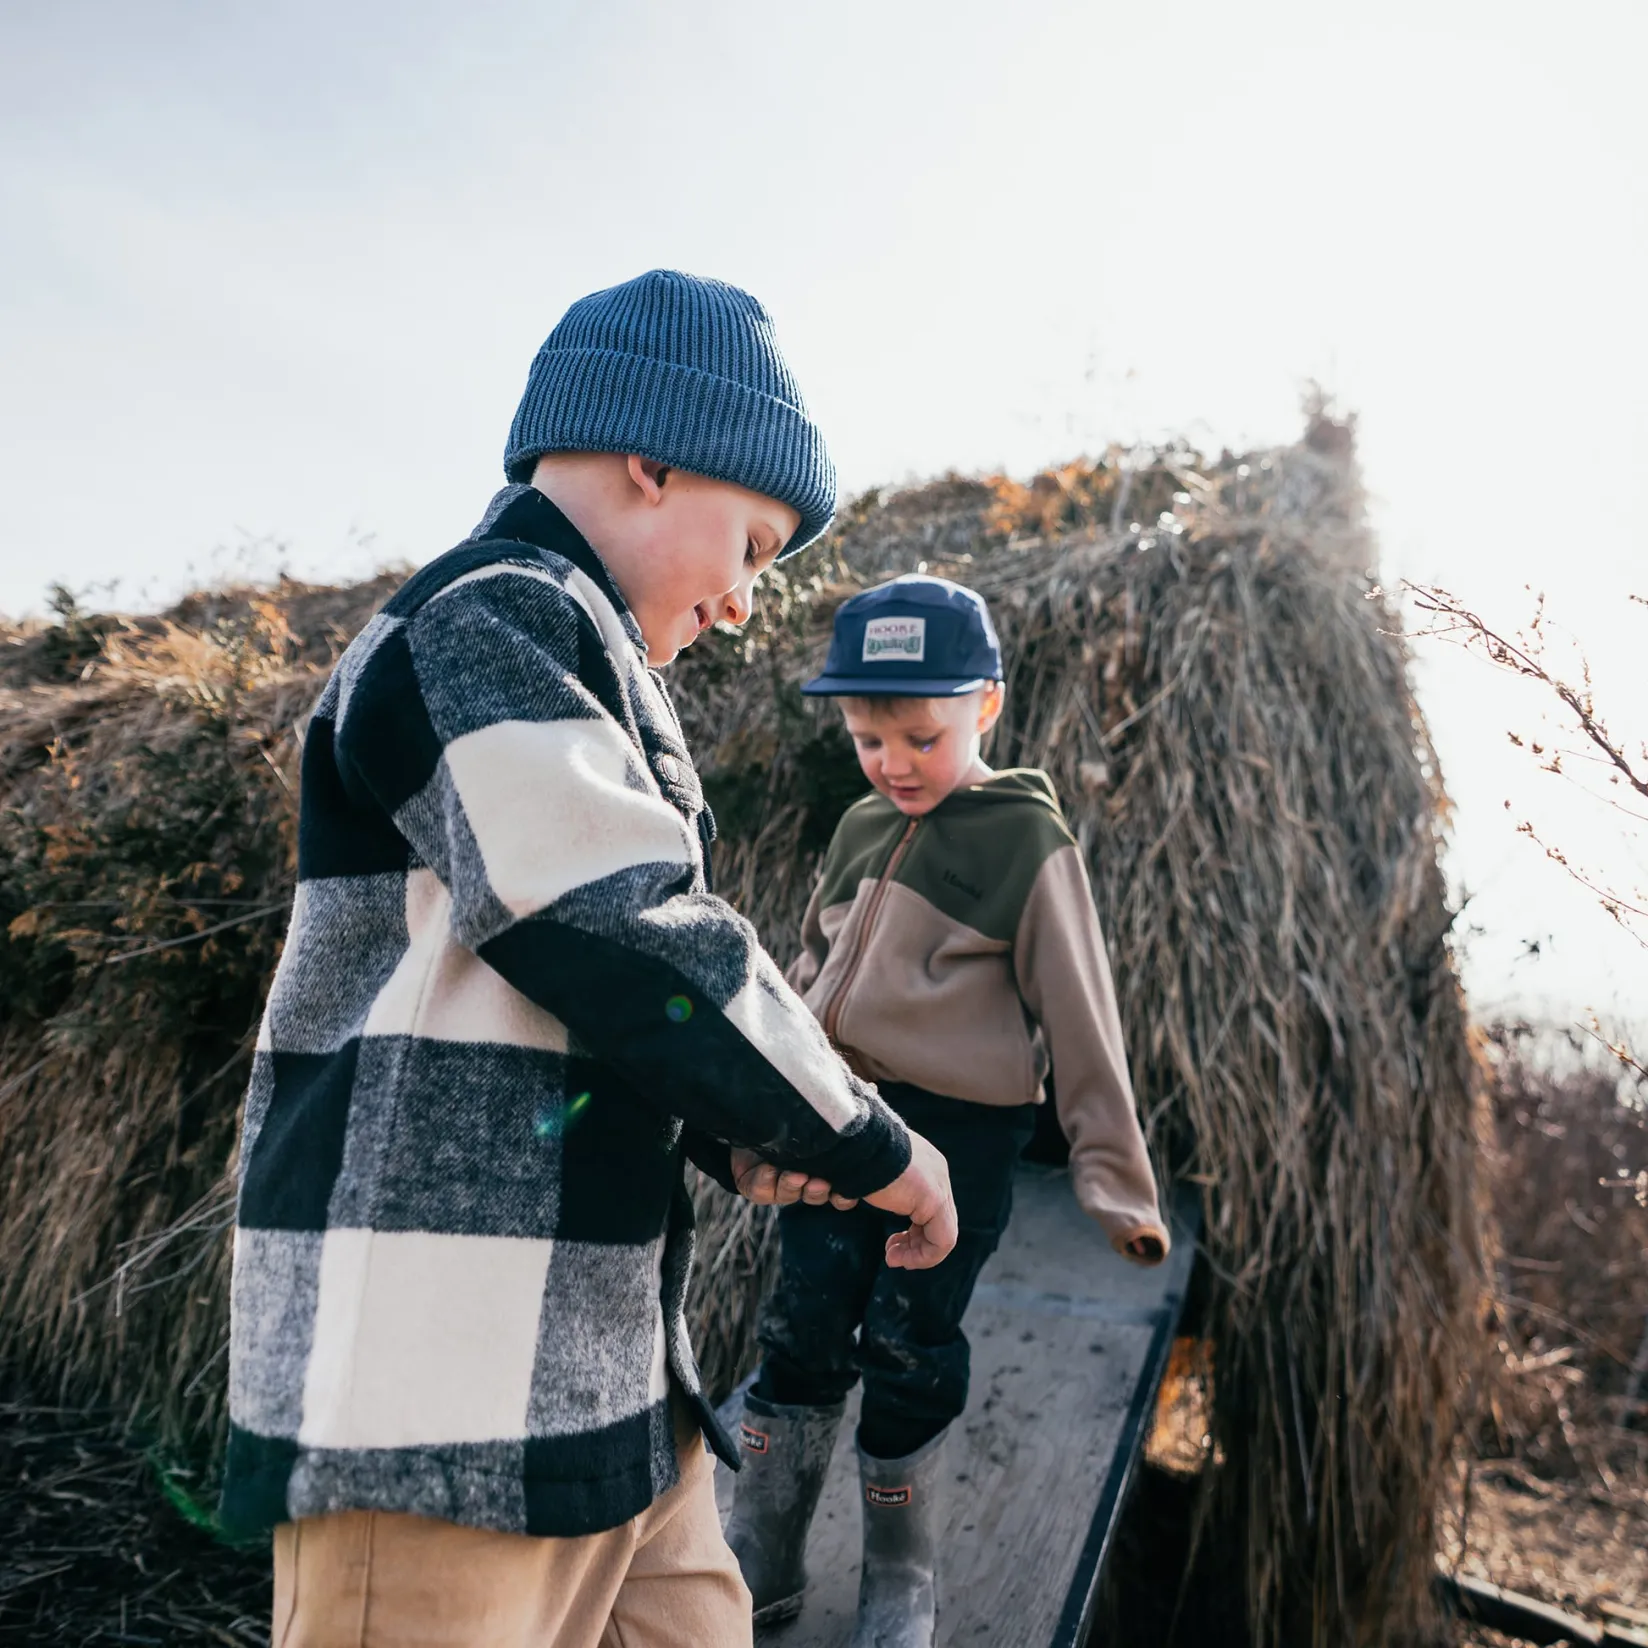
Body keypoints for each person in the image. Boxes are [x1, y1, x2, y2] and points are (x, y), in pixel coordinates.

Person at [220, 270, 959, 1648]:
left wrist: (731, 1133)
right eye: (753, 546)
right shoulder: (485, 617)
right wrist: (866, 1142)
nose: (747, 605)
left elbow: (574, 997)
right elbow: (613, 925)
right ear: (653, 460)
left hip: (608, 1399)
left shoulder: (578, 656)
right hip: (438, 1408)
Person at [722, 573, 1170, 1648]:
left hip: (960, 1131)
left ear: (987, 707)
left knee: (910, 1339)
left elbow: (1081, 1009)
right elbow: (810, 969)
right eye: (868, 740)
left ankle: (899, 1575)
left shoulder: (1025, 840)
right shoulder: (859, 825)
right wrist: (769, 1095)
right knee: (802, 1322)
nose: (894, 763)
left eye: (921, 737)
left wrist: (1114, 1180)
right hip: (845, 1117)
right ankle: (764, 1557)